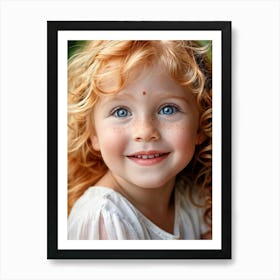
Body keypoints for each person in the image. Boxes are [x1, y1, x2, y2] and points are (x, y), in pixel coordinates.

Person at [67, 40, 212, 240]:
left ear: (201, 124)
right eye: (121, 112)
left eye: (168, 109)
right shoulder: (104, 218)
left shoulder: (193, 197)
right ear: (93, 134)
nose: (144, 131)